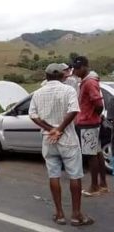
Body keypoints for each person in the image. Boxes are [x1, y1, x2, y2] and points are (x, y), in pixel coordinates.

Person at [29, 63, 94, 226]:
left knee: (54, 175)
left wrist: (50, 129)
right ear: (61, 76)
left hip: (48, 139)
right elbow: (73, 110)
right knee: (75, 175)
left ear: (47, 76)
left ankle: (59, 214)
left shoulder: (37, 93)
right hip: (68, 139)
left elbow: (33, 115)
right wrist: (59, 129)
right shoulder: (68, 90)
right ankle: (76, 215)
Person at [72, 56, 109, 196]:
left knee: (90, 154)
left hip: (88, 124)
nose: (75, 71)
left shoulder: (89, 83)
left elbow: (98, 103)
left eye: (77, 68)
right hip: (91, 123)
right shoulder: (87, 81)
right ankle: (103, 184)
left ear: (84, 67)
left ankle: (94, 187)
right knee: (97, 152)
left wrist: (93, 116)